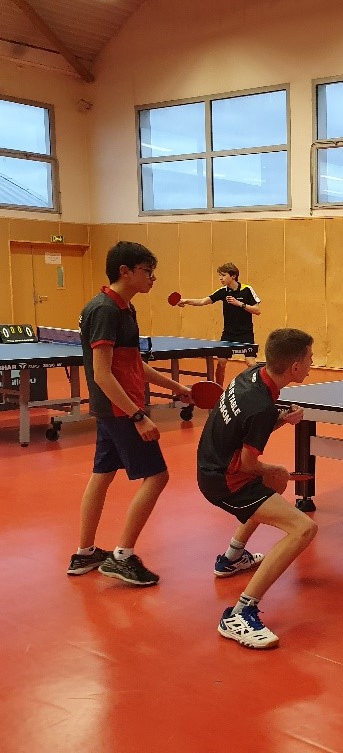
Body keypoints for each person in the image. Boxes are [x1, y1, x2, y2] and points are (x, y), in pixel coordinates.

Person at [66, 241, 193, 585]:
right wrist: (138, 416)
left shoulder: (125, 309)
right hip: (120, 411)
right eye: (147, 271)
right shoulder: (105, 310)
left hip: (115, 409)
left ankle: (84, 553)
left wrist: (176, 387)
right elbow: (102, 374)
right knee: (158, 476)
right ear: (125, 271)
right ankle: (122, 557)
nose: (153, 278)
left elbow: (134, 364)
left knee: (102, 474)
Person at [198, 327, 318, 649]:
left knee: (270, 488)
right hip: (224, 481)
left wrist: (283, 421)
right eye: (309, 358)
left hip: (212, 462)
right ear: (294, 367)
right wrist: (274, 470)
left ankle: (232, 558)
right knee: (303, 528)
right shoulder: (262, 406)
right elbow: (250, 465)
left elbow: (249, 428)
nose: (312, 363)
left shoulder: (252, 376)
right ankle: (239, 613)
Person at [176, 262, 261, 387]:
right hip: (228, 334)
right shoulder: (223, 291)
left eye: (223, 275)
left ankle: (259, 389)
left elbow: (257, 310)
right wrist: (185, 301)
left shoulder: (247, 290)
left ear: (233, 276)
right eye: (220, 276)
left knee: (251, 364)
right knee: (221, 362)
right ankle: (219, 389)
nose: (220, 278)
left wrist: (239, 304)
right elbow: (203, 301)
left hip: (245, 333)